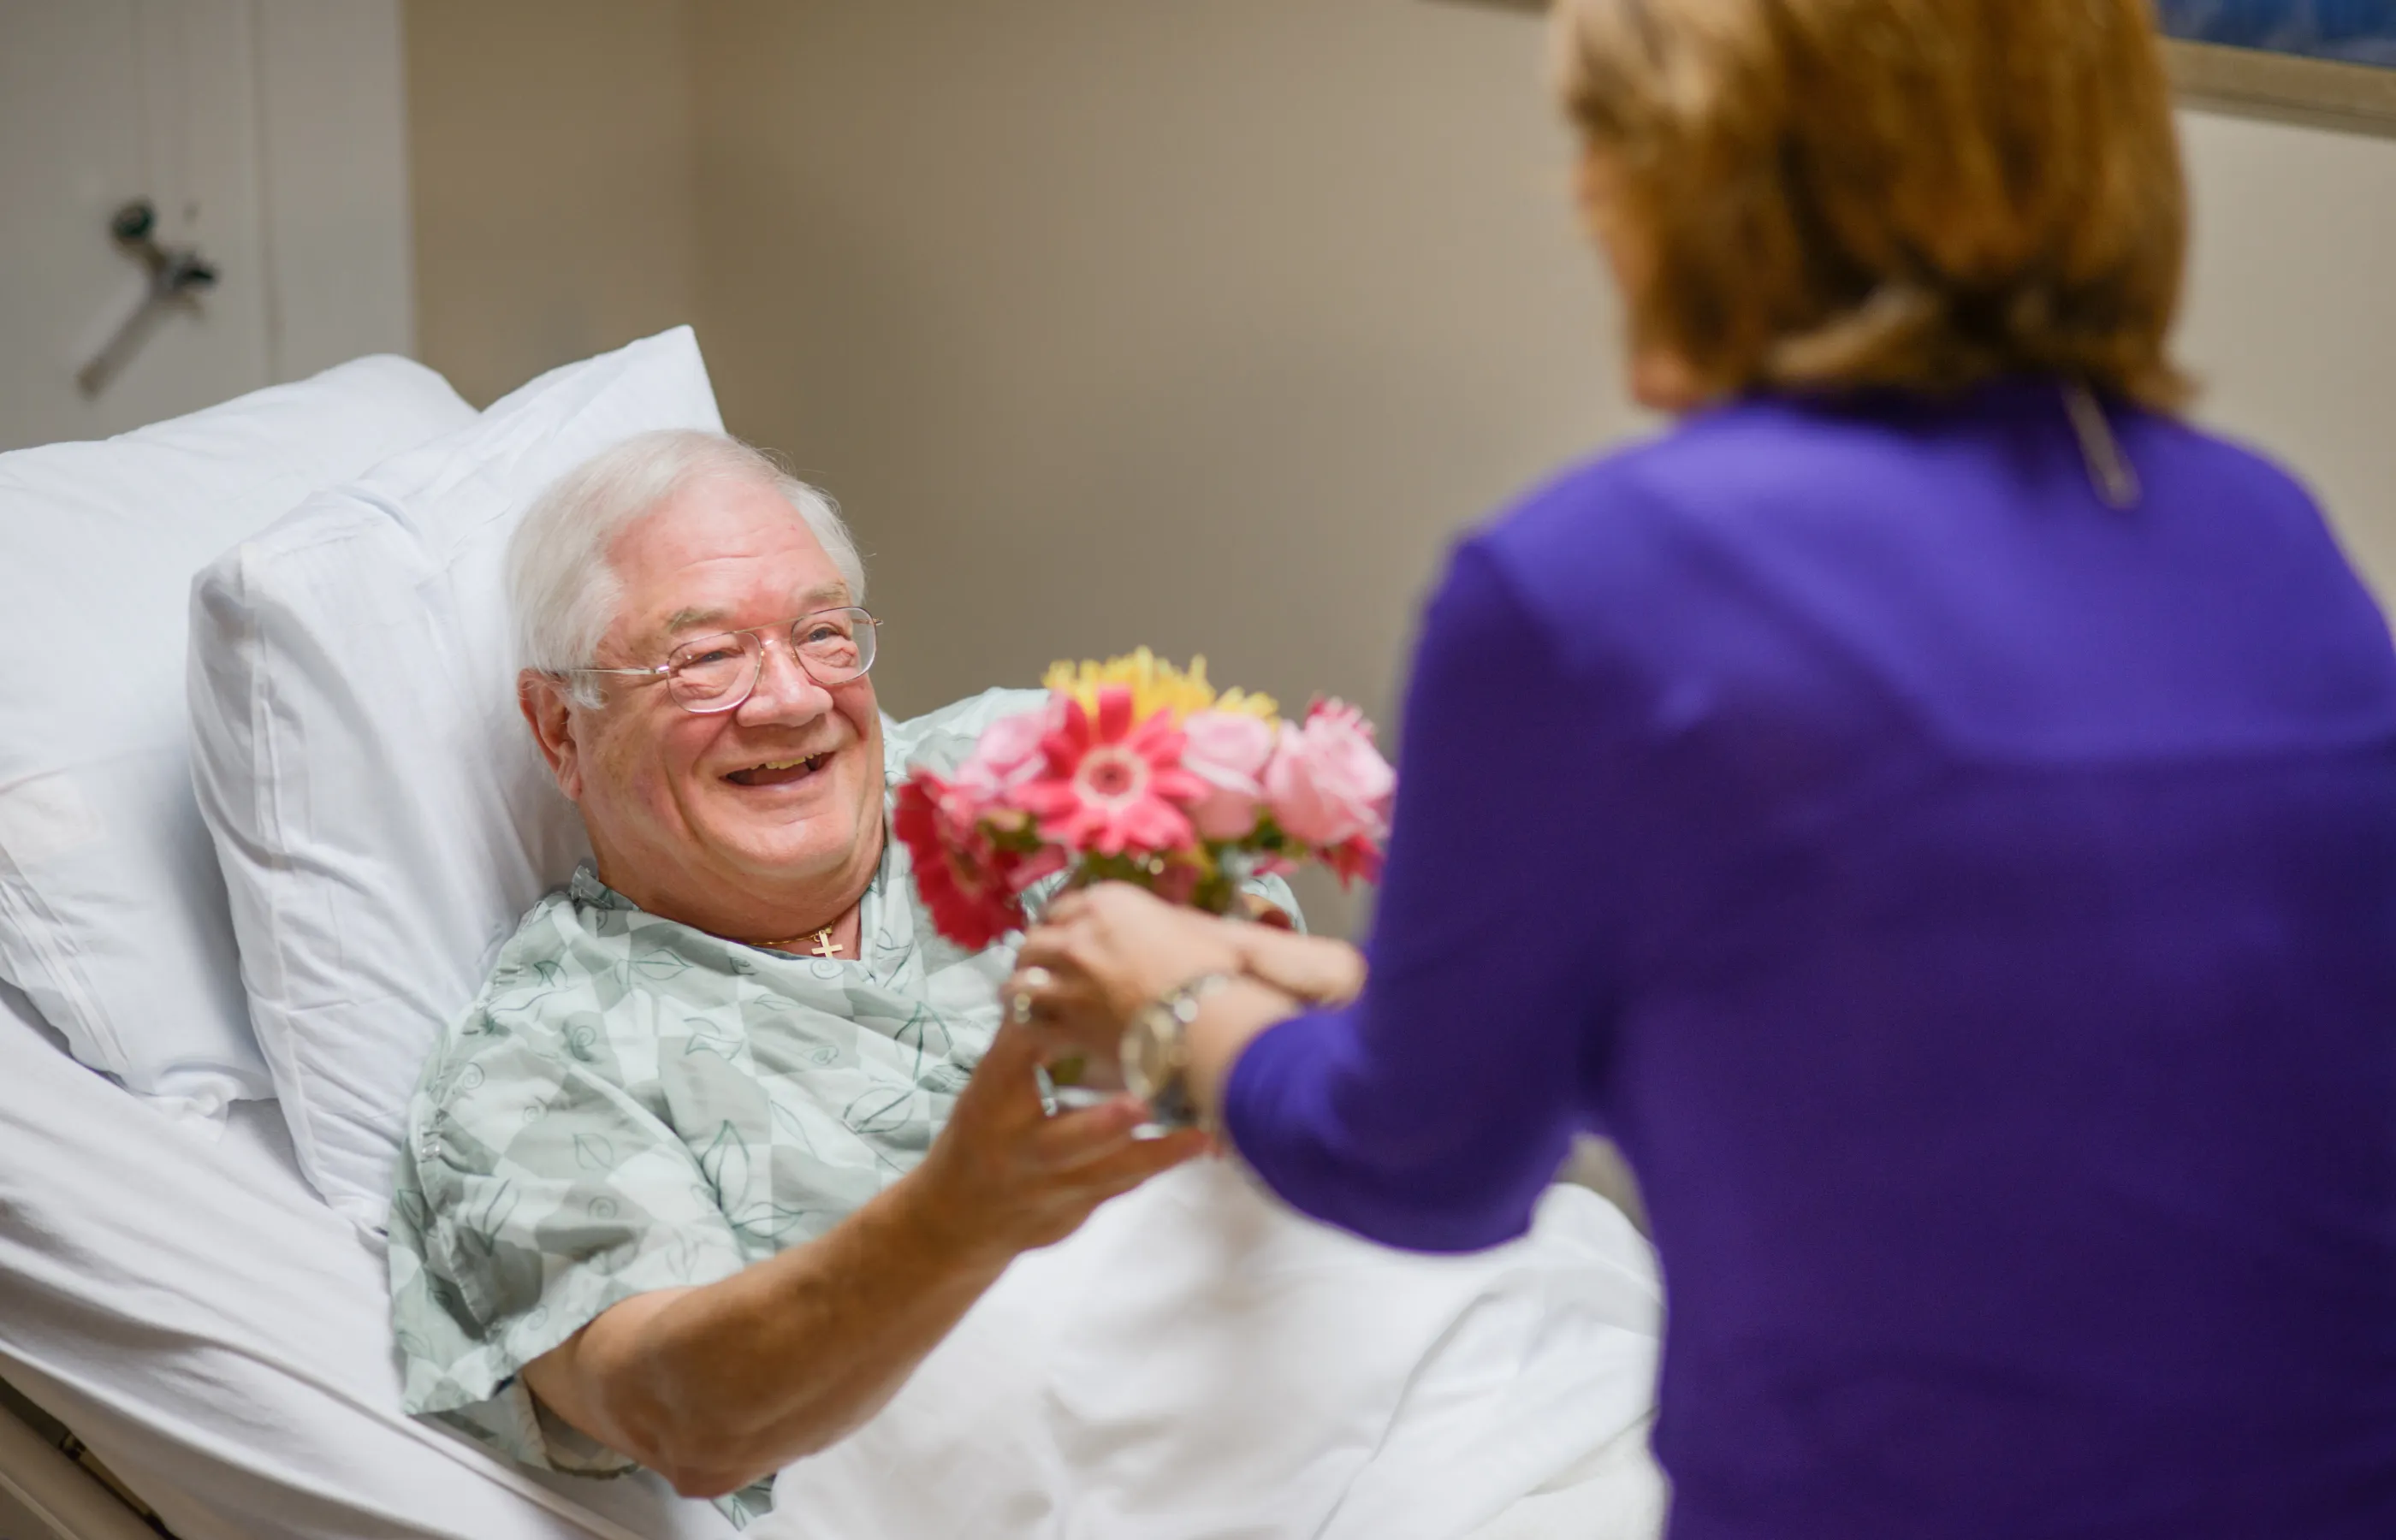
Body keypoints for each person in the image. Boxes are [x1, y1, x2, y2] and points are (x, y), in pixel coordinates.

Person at [1009, 2, 2396, 1537]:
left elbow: (1424, 1168)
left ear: (1697, 180)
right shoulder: (2272, 543)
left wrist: (1171, 1003)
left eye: (1603, 143)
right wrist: (1354, 993)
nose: (1583, 197)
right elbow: (1917, 1033)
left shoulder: (1597, 589)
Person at [385, 429, 1665, 1535]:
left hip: (1408, 1365)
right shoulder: (533, 1062)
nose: (789, 701)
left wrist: (1274, 984)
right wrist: (965, 1209)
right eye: (704, 658)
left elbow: (1334, 1064)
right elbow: (680, 1410)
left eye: (824, 634)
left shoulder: (1029, 771)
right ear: (560, 728)